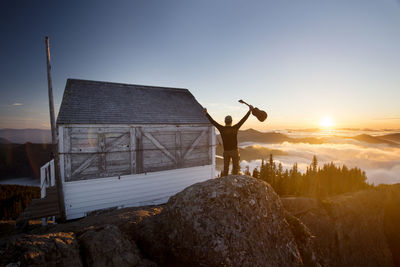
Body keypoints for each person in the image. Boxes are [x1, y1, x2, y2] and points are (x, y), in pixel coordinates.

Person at [204, 105, 253, 176]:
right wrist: (249, 111)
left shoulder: (221, 129)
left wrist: (206, 113)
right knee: (236, 169)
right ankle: (235, 183)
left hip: (226, 152)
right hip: (235, 151)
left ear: (225, 121)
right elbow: (243, 120)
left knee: (226, 169)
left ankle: (225, 183)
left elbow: (213, 122)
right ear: (231, 122)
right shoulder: (235, 127)